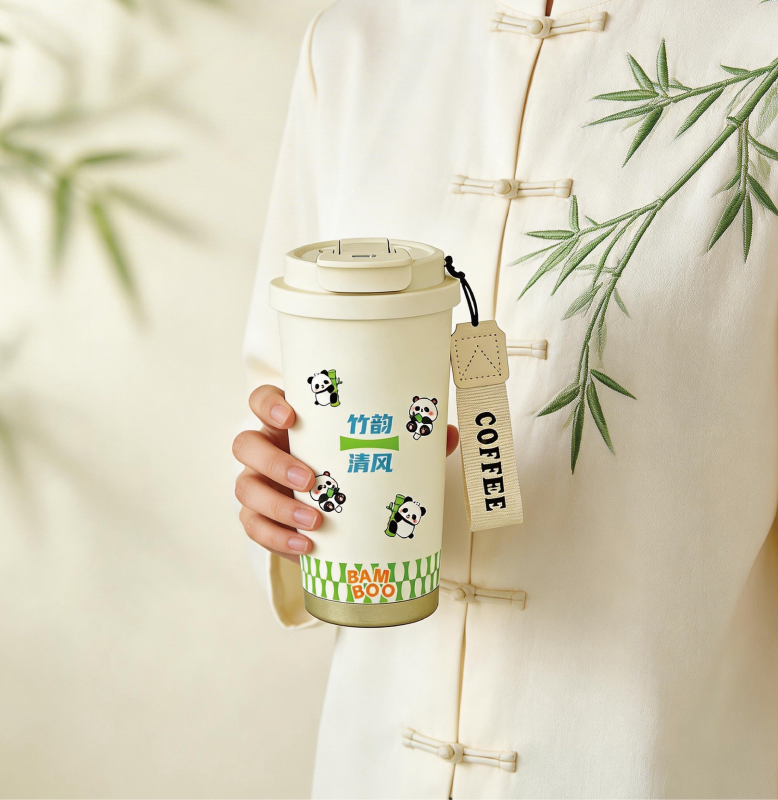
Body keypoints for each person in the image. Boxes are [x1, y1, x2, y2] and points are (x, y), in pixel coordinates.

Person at [233, 0, 778, 797]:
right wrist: (283, 499)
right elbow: (278, 385)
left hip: (638, 764)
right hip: (377, 761)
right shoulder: (354, 47)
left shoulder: (759, 51)